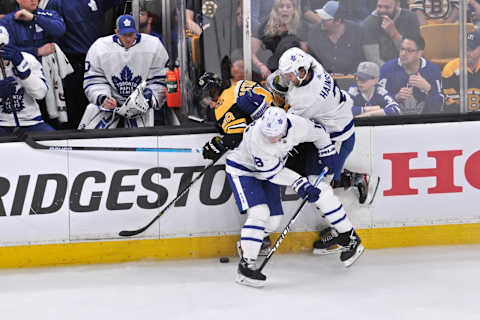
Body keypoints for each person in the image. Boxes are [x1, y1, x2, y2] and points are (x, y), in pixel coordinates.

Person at [226, 107, 364, 287]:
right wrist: (300, 183)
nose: (271, 139)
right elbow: (273, 174)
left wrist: (327, 150)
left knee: (274, 221)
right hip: (243, 171)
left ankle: (250, 241)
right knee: (260, 213)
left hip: (272, 169)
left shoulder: (297, 124)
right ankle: (246, 266)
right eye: (268, 134)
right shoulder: (257, 139)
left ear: (284, 127)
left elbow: (319, 133)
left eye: (275, 135)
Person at [272, 47, 374, 255]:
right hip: (325, 130)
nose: (289, 78)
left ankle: (343, 236)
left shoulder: (307, 98)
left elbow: (286, 125)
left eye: (292, 75)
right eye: (288, 74)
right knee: (313, 179)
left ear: (302, 71)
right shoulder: (310, 63)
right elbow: (281, 84)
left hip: (334, 139)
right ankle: (353, 179)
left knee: (318, 189)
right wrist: (281, 81)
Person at [198, 71, 280, 253]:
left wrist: (219, 143)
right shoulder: (241, 84)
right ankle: (255, 241)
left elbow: (235, 136)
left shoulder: (223, 104)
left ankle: (253, 241)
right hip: (278, 139)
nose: (209, 102)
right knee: (266, 217)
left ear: (213, 91)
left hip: (264, 154)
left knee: (269, 217)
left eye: (208, 96)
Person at [45, 0, 125, 129]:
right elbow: (54, 32)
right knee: (75, 107)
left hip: (99, 60)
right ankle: (75, 141)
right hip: (73, 62)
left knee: (101, 102)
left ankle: (99, 138)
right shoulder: (56, 3)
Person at [79, 14, 168, 129]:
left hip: (141, 105)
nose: (128, 39)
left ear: (136, 31)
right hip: (111, 103)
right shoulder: (99, 47)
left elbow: (160, 79)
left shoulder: (154, 45)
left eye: (131, 34)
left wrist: (147, 98)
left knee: (143, 141)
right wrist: (102, 97)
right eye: (124, 35)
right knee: (93, 139)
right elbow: (94, 79)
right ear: (116, 32)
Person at [0, 26, 53, 134]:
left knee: (57, 143)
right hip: (1, 123)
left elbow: (40, 94)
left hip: (32, 122)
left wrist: (24, 71)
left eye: (2, 45)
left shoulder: (27, 59)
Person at [379, 34, 444, 115]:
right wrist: (396, 97)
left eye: (409, 50)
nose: (403, 53)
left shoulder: (433, 70)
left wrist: (428, 89)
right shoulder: (387, 69)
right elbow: (377, 103)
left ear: (420, 53)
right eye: (402, 49)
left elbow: (439, 107)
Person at [251, 0, 309, 79]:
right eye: (281, 7)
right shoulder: (265, 27)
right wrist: (261, 66)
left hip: (295, 75)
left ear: (294, 10)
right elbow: (251, 53)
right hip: (270, 74)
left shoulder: (301, 27)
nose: (285, 9)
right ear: (276, 10)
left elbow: (306, 54)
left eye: (288, 7)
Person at [308, 1, 365, 75]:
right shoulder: (314, 32)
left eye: (325, 18)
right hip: (322, 78)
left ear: (338, 21)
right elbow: (311, 59)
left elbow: (360, 58)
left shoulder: (356, 31)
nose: (321, 20)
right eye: (321, 17)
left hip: (350, 78)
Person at [0, 0, 65, 61]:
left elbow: (60, 30)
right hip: (22, 67)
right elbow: (5, 51)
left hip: (48, 66)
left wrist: (34, 18)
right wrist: (37, 51)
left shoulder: (48, 14)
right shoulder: (8, 21)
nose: (33, 0)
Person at [362, 0, 420, 67]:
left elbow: (413, 52)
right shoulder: (369, 23)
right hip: (382, 68)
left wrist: (394, 34)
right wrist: (391, 71)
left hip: (408, 64)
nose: (382, 10)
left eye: (387, 7)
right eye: (379, 6)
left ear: (397, 5)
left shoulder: (411, 17)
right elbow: (373, 58)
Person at [442, 31, 480, 113]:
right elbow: (450, 105)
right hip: (461, 119)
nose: (467, 53)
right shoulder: (450, 69)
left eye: (471, 49)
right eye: (464, 48)